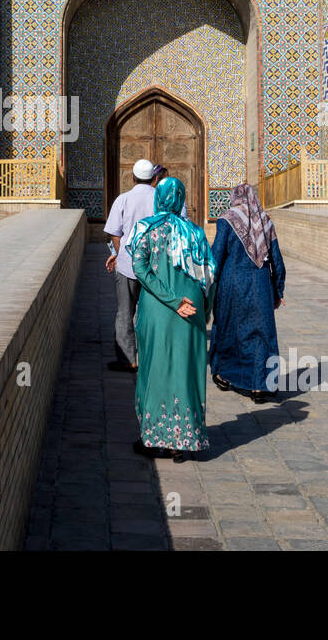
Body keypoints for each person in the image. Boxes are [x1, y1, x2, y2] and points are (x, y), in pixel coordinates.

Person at [127, 177, 216, 463]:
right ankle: (183, 440)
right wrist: (205, 311)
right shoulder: (196, 233)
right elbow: (209, 276)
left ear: (159, 198)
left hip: (157, 311)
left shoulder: (146, 229)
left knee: (154, 370)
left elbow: (140, 268)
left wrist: (172, 300)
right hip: (191, 313)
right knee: (185, 371)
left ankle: (154, 437)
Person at [209, 183, 286, 403]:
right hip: (261, 284)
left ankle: (225, 375)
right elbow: (277, 261)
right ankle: (260, 386)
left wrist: (208, 285)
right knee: (260, 335)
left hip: (232, 285)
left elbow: (217, 256)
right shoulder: (265, 221)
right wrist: (278, 289)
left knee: (229, 329)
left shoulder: (226, 219)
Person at [103, 158, 159, 372]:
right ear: (154, 178)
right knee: (153, 312)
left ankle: (128, 359)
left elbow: (114, 232)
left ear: (133, 177)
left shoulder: (123, 199)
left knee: (125, 312)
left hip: (127, 265)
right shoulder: (160, 199)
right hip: (155, 267)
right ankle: (152, 357)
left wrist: (120, 254)